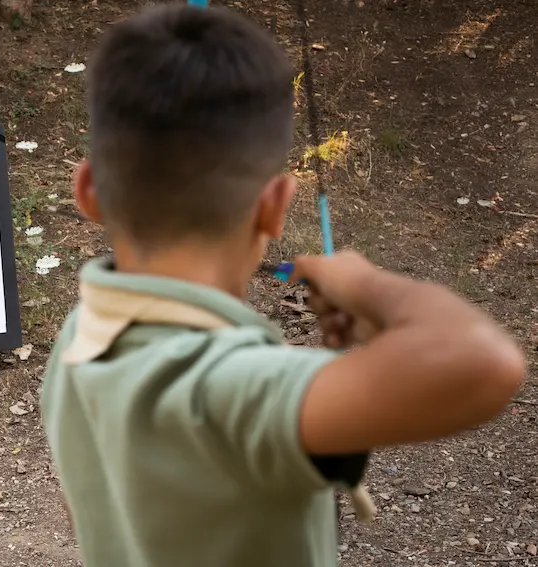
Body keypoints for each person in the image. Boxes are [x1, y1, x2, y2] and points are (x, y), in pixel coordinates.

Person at [39, 4, 526, 567]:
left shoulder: (78, 339)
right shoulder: (234, 386)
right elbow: (487, 363)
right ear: (274, 206)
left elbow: (93, 508)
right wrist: (366, 284)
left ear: (88, 191)